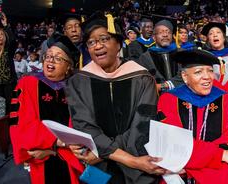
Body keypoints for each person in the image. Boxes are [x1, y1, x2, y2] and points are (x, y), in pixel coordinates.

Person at [65, 12, 163, 184]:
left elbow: (142, 125)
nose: (97, 46)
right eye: (91, 42)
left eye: (104, 39)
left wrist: (103, 152)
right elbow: (84, 126)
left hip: (133, 164)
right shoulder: (78, 82)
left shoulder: (142, 77)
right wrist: (116, 154)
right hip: (99, 166)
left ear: (118, 44)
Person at [157, 50, 228, 183]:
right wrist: (221, 155)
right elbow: (174, 144)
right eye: (198, 72)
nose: (207, 77)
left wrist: (189, 165)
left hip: (215, 174)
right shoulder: (169, 100)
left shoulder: (226, 99)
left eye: (210, 71)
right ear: (185, 76)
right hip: (180, 176)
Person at [9, 33, 84, 184]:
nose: (50, 60)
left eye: (58, 58)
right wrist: (58, 143)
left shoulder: (76, 88)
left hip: (70, 159)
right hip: (41, 159)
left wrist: (54, 149)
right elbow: (21, 124)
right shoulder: (27, 84)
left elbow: (81, 129)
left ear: (69, 65)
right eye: (48, 56)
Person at [137, 19, 181, 92]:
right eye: (161, 32)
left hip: (180, 97)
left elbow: (186, 75)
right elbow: (143, 81)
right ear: (154, 37)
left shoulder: (182, 53)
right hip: (157, 98)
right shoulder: (145, 57)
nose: (165, 35)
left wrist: (164, 85)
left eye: (168, 32)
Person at [0, 13, 17, 115]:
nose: (0, 37)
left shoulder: (9, 50)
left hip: (9, 84)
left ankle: (11, 130)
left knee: (10, 110)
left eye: (2, 34)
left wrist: (6, 26)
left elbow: (12, 40)